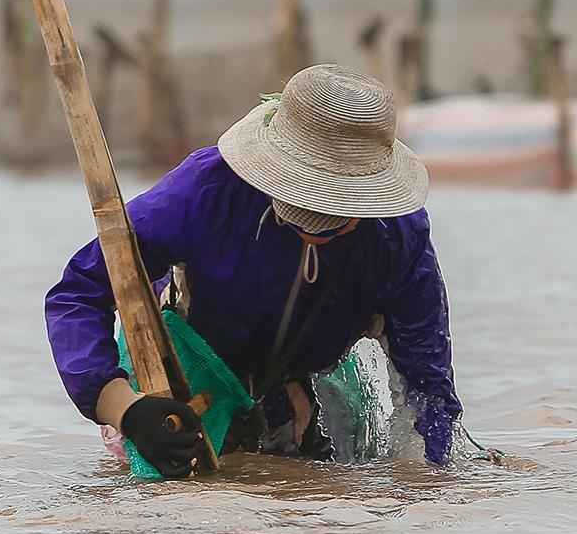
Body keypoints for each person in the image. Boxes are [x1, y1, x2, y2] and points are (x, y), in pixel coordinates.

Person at [46, 64, 462, 478]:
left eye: (337, 207)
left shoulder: (397, 236)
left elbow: (428, 383)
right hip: (189, 370)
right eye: (304, 199)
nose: (317, 221)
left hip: (300, 378)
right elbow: (80, 294)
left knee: (306, 488)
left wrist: (429, 480)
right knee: (170, 495)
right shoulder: (207, 190)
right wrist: (124, 407)